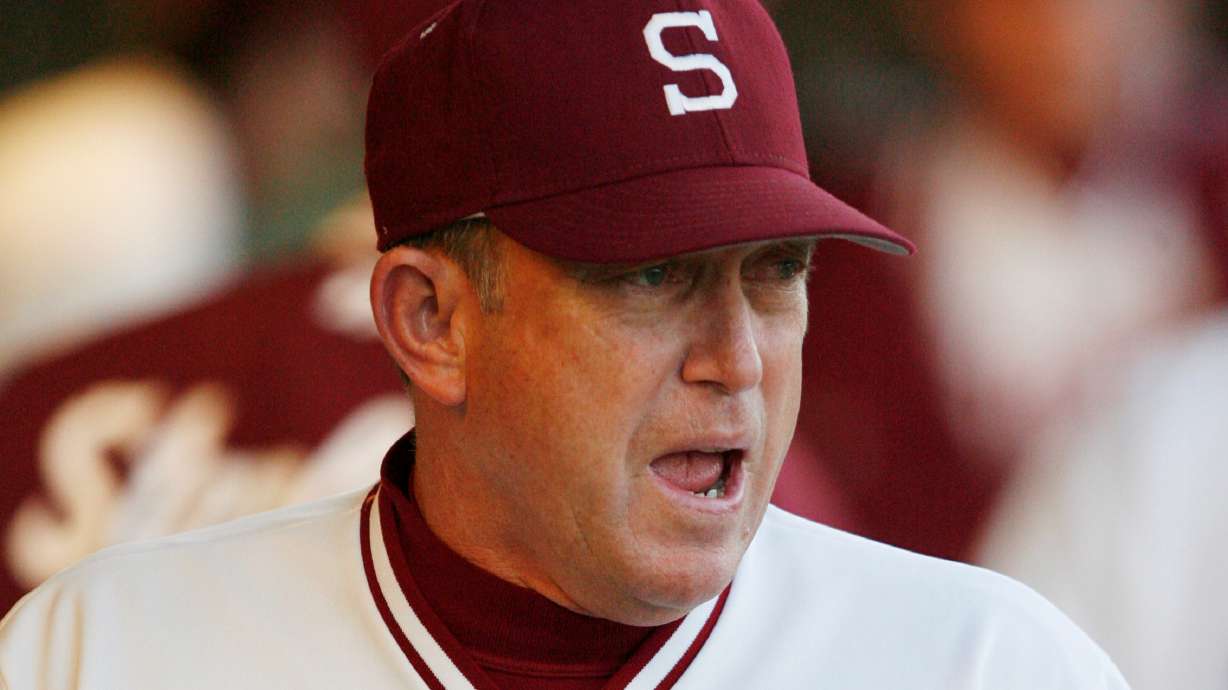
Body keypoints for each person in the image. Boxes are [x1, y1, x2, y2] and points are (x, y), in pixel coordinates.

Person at [0, 1, 1129, 687]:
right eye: (650, 274)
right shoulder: (99, 656)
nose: (734, 357)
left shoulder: (989, 667)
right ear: (429, 322)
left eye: (775, 271)